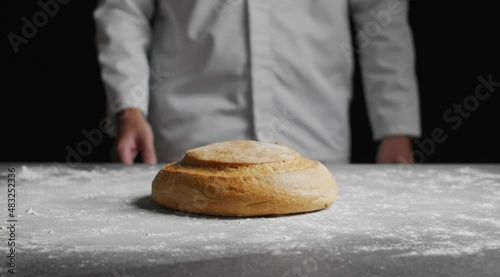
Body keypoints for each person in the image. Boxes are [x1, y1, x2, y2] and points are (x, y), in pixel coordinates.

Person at [93, 0, 421, 165]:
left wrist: (395, 127)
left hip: (314, 138)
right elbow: (124, 8)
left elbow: (383, 15)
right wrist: (129, 106)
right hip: (190, 140)